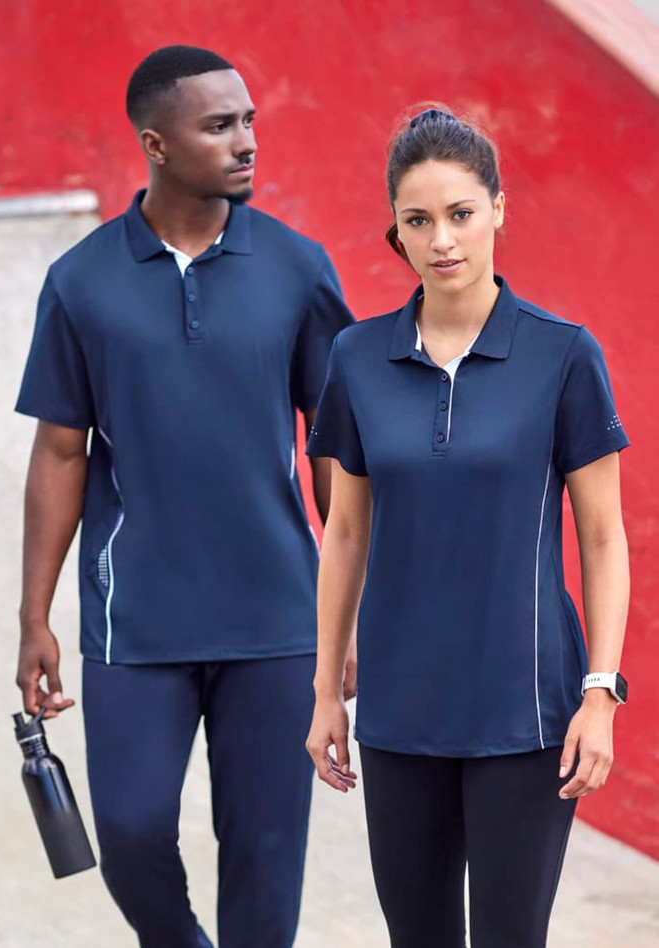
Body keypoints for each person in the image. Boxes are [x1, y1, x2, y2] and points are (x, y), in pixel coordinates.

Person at [15, 45, 355, 948]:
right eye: (220, 126)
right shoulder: (81, 281)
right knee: (127, 832)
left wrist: (352, 610)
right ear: (157, 144)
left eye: (248, 121)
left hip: (279, 618)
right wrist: (34, 615)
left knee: (266, 850)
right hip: (138, 621)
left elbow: (338, 451)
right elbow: (58, 452)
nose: (247, 141)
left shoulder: (298, 268)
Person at [305, 107, 630, 948]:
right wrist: (323, 693)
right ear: (397, 233)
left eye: (460, 213)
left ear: (497, 209)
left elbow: (601, 537)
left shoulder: (563, 355)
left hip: (526, 715)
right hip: (399, 711)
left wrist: (602, 691)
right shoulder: (357, 359)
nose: (442, 239)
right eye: (418, 220)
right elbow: (345, 532)